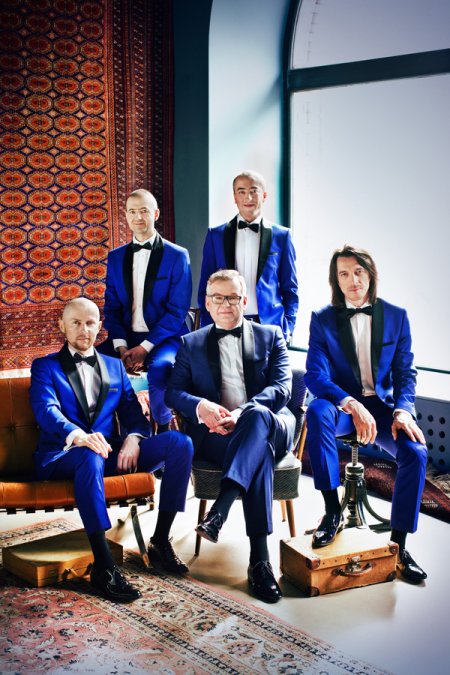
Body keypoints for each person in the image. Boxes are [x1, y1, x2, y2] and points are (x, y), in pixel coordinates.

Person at [30, 298, 193, 603]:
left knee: (180, 443)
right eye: (76, 322)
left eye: (90, 323)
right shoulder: (45, 366)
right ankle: (104, 566)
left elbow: (133, 414)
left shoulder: (114, 366)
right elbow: (46, 410)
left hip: (108, 453)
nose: (84, 329)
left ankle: (160, 540)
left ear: (99, 327)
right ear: (62, 326)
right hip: (63, 455)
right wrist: (79, 437)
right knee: (90, 454)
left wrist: (134, 438)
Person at [166, 269, 296, 603]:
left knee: (258, 418)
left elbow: (282, 388)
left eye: (233, 297)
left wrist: (242, 413)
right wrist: (202, 407)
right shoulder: (191, 343)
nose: (226, 304)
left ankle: (220, 510)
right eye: (218, 298)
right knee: (258, 452)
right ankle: (260, 562)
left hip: (273, 425)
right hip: (217, 434)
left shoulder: (271, 335)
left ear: (245, 301)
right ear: (207, 303)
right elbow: (173, 393)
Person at [304, 245, 428, 584]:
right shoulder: (322, 318)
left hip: (384, 409)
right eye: (344, 274)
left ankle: (398, 547)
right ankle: (332, 512)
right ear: (336, 280)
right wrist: (351, 403)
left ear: (370, 274)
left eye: (358, 272)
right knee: (316, 411)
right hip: (342, 406)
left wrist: (403, 411)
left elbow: (405, 373)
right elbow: (315, 376)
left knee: (416, 452)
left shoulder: (397, 316)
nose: (353, 280)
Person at [99, 189, 192, 432]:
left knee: (160, 370)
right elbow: (112, 307)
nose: (138, 217)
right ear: (126, 216)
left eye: (144, 211)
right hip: (125, 338)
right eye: (132, 212)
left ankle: (163, 429)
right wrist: (121, 347)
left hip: (165, 338)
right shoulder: (115, 257)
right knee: (91, 364)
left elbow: (177, 311)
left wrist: (144, 348)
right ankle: (112, 433)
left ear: (156, 214)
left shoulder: (177, 256)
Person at [197, 171, 298, 342]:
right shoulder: (216, 235)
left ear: (264, 196)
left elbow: (290, 288)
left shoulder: (282, 236)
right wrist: (210, 327)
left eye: (253, 191)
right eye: (242, 192)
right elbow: (205, 288)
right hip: (225, 322)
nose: (248, 197)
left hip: (270, 325)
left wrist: (288, 328)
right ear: (234, 197)